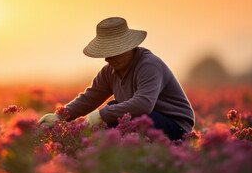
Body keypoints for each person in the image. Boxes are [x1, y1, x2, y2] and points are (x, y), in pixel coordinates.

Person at [38, 17, 194, 140]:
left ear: (130, 47)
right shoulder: (109, 71)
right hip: (146, 117)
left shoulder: (149, 65)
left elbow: (144, 104)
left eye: (115, 52)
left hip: (176, 127)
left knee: (116, 113)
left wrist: (101, 115)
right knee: (114, 110)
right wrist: (60, 116)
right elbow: (90, 98)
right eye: (106, 53)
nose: (108, 58)